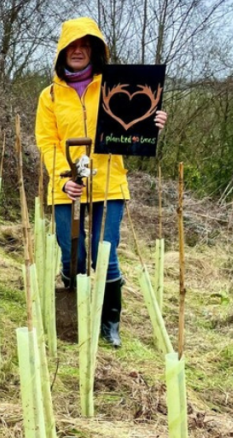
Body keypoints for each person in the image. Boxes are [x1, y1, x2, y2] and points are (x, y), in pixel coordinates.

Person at [35, 17, 167, 348]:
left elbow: (131, 125)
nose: (78, 51)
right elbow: (47, 142)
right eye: (71, 46)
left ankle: (109, 322)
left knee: (103, 253)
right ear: (62, 51)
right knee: (72, 256)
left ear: (94, 50)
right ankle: (77, 311)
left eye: (85, 45)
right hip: (68, 187)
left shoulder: (113, 86)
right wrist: (64, 179)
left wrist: (153, 123)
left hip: (108, 185)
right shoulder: (49, 97)